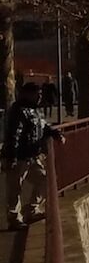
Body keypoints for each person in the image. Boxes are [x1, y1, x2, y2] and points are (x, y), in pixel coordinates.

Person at [5, 83, 63, 230]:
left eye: (41, 94)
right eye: (37, 94)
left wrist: (55, 134)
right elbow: (14, 135)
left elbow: (43, 126)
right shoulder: (18, 111)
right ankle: (14, 217)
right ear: (27, 94)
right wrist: (12, 156)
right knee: (15, 187)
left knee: (45, 180)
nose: (40, 97)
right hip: (19, 157)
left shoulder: (35, 111)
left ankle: (31, 209)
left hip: (32, 156)